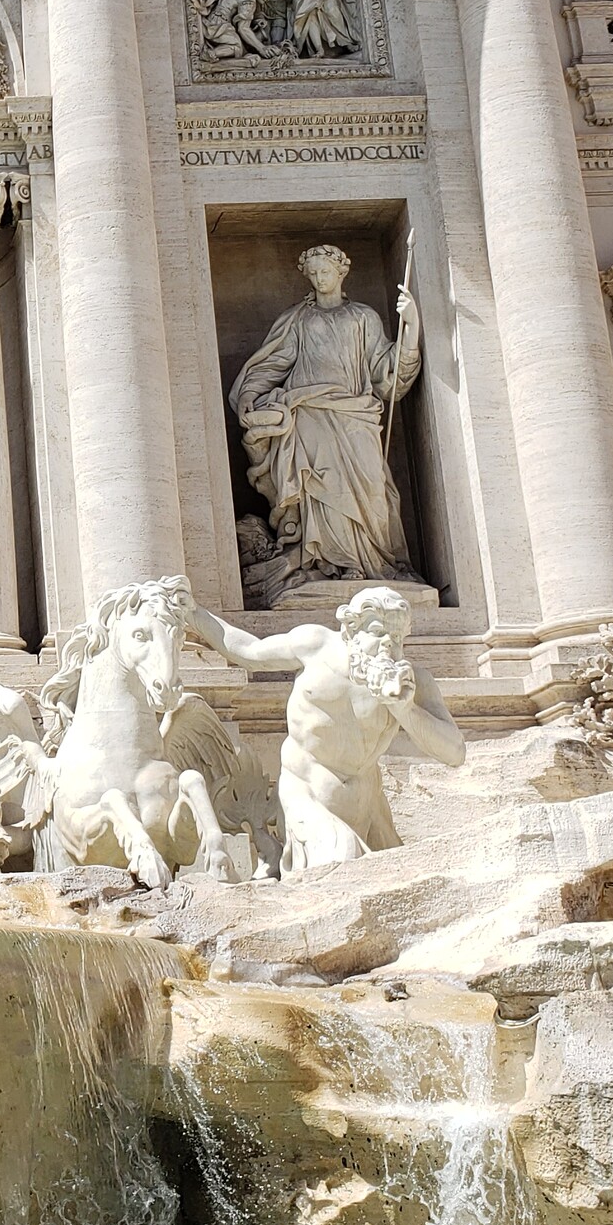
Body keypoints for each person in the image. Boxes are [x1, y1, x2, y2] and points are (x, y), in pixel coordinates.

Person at [188, 586, 463, 872]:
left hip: (368, 807)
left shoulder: (414, 682)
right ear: (350, 630)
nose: (387, 646)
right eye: (378, 632)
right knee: (341, 865)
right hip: (307, 794)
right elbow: (250, 651)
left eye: (396, 637)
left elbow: (455, 752)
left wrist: (405, 709)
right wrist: (193, 615)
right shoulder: (316, 645)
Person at [230, 244, 419, 589]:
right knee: (320, 488)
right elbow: (273, 363)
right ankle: (333, 562)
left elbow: (386, 372)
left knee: (373, 490)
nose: (319, 279)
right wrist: (247, 393)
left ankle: (374, 560)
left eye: (325, 272)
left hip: (355, 413)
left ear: (341, 273)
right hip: (309, 414)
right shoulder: (297, 319)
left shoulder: (364, 317)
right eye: (313, 274)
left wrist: (412, 327)